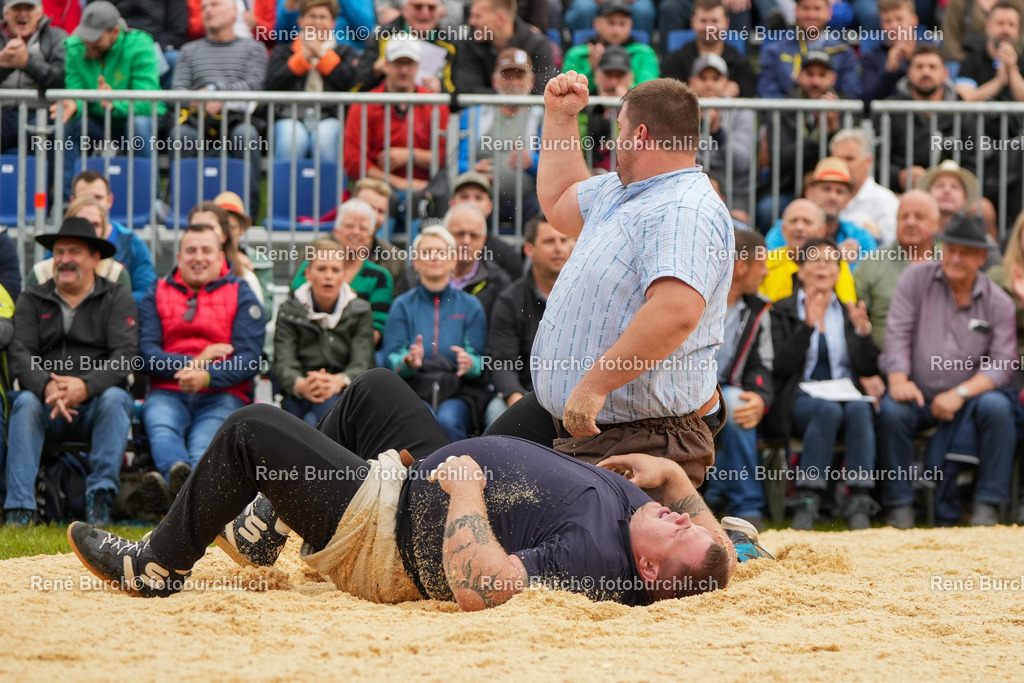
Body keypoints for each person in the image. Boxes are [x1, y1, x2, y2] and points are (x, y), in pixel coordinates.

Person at [66, 367, 740, 604]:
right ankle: (267, 523)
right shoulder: (656, 534)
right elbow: (723, 561)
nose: (683, 518)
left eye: (678, 528)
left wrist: (466, 491)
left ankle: (156, 565)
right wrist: (674, 479)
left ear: (647, 570)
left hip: (389, 532)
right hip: (429, 477)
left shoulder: (591, 556)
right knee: (376, 390)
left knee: (249, 428)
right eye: (686, 517)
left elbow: (485, 588)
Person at [486, 75, 733, 489]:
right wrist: (560, 118)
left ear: (640, 134)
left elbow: (676, 312)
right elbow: (561, 199)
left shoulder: (684, 210)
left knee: (523, 517)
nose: (615, 141)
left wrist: (595, 384)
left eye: (620, 130)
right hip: (576, 415)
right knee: (469, 478)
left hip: (643, 433)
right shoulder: (621, 190)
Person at [877, 214, 1019, 528]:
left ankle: (987, 505)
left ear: (981, 257)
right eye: (950, 249)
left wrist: (960, 393)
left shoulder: (999, 301)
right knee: (893, 410)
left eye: (965, 252)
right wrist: (898, 379)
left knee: (998, 408)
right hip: (917, 392)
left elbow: (1003, 362)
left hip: (969, 399)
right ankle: (899, 506)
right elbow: (897, 333)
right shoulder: (915, 279)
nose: (954, 258)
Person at [3, 217, 137, 527]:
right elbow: (20, 352)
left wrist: (84, 387)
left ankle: (99, 501)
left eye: (74, 252)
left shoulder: (117, 297)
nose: (64, 259)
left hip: (96, 406)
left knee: (117, 399)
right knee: (25, 402)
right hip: (45, 404)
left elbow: (125, 356)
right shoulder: (32, 297)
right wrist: (47, 386)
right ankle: (19, 509)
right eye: (59, 252)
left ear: (95, 258)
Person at [138, 223, 265, 509]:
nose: (198, 257)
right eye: (191, 250)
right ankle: (184, 486)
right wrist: (198, 362)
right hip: (168, 391)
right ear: (179, 257)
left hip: (223, 393)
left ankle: (177, 492)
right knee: (161, 426)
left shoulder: (242, 292)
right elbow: (145, 353)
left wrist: (207, 376)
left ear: (221, 257)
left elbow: (249, 358)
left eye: (206, 250)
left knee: (203, 442)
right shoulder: (156, 292)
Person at [765, 238, 880, 530]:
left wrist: (863, 333)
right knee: (826, 410)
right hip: (799, 397)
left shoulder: (847, 312)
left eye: (830, 261)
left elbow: (868, 368)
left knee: (860, 409)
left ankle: (859, 497)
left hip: (844, 394)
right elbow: (779, 366)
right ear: (800, 270)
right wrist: (807, 327)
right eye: (814, 260)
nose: (822, 267)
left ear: (839, 272)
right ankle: (809, 497)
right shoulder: (782, 310)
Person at [383, 226, 489, 441]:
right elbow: (391, 359)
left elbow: (480, 360)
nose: (434, 257)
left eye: (441, 252)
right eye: (426, 252)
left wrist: (469, 364)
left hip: (458, 390)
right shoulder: (402, 305)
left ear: (453, 261)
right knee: (423, 419)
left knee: (449, 420)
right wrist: (408, 361)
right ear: (416, 262)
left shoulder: (471, 305)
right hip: (413, 389)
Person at [702, 229, 773, 531]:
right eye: (762, 264)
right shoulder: (698, 297)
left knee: (741, 403)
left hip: (726, 391)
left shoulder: (759, 308)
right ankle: (744, 503)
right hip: (684, 389)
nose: (766, 272)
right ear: (742, 266)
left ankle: (732, 501)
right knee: (730, 402)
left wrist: (760, 396)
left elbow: (762, 364)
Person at [52, 0, 160, 195]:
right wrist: (74, 104)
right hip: (97, 120)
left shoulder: (140, 45)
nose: (88, 43)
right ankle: (68, 201)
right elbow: (75, 89)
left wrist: (114, 103)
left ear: (115, 32)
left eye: (95, 38)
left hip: (130, 120)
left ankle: (149, 201)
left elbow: (147, 101)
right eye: (86, 36)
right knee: (67, 124)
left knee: (139, 125)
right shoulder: (75, 47)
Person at [172, 0, 268, 205]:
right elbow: (177, 91)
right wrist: (202, 101)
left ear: (234, 11)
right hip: (197, 119)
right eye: (204, 7)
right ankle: (181, 208)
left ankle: (247, 211)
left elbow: (255, 85)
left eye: (214, 4)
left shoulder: (254, 49)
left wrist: (216, 93)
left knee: (246, 135)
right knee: (181, 135)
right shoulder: (189, 51)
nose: (208, 10)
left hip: (237, 118)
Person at [486, 214, 575, 424]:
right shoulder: (510, 301)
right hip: (524, 394)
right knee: (496, 412)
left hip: (576, 396)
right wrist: (516, 400)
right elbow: (501, 362)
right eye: (549, 241)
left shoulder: (587, 296)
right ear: (529, 249)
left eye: (564, 240)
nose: (558, 248)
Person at [275, 238, 375, 426]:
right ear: (308, 274)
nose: (328, 276)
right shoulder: (289, 311)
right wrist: (301, 384)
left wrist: (338, 381)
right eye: (321, 269)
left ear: (345, 275)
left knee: (316, 419)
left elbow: (363, 362)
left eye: (335, 270)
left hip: (344, 392)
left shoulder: (361, 311)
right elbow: (283, 362)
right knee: (304, 419)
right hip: (300, 392)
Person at [343, 35, 450, 200]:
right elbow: (354, 161)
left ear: (418, 66)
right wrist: (398, 183)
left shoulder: (436, 104)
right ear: (385, 65)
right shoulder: (364, 104)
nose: (404, 70)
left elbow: (446, 154)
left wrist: (410, 155)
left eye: (410, 63)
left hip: (425, 190)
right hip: (376, 189)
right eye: (398, 63)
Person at [265, 0, 360, 163]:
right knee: (291, 139)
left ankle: (328, 181)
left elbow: (349, 83)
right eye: (312, 16)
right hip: (290, 116)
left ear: (333, 24)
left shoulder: (345, 52)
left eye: (323, 17)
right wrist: (301, 60)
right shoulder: (283, 51)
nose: (317, 22)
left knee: (324, 139)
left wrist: (322, 55)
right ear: (300, 21)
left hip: (330, 117)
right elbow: (272, 83)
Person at [290, 199, 395, 344]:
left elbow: (375, 332)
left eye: (363, 228)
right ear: (337, 231)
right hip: (308, 348)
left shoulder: (380, 278)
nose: (355, 232)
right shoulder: (309, 268)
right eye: (349, 225)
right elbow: (294, 313)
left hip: (358, 353)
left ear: (371, 236)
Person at [458, 47, 543, 225]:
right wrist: (473, 170)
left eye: (519, 76)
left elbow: (552, 164)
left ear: (531, 81)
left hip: (528, 199)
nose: (513, 82)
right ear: (495, 81)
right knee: (472, 205)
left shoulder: (541, 116)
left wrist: (531, 162)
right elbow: (460, 162)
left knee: (539, 212)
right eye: (507, 76)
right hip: (485, 196)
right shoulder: (475, 115)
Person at [877, 45, 978, 192]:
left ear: (945, 73)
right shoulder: (890, 110)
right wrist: (899, 176)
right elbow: (876, 160)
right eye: (919, 67)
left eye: (932, 67)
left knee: (983, 205)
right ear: (909, 72)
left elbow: (972, 163)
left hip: (949, 194)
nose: (926, 72)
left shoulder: (962, 113)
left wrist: (946, 179)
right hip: (899, 193)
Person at [854, 190, 940, 350]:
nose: (910, 222)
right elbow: (856, 318)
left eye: (919, 217)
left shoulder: (952, 264)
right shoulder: (872, 263)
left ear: (937, 223)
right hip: (882, 360)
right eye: (904, 216)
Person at [764, 157, 879, 269]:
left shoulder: (860, 238)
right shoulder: (784, 231)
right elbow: (770, 272)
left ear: (848, 199)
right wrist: (834, 257)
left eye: (839, 192)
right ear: (809, 193)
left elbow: (870, 275)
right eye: (826, 189)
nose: (832, 196)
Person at [68, 169, 157, 305]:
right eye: (84, 199)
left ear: (109, 200)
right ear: (72, 201)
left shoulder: (132, 243)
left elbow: (147, 293)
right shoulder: (61, 244)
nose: (92, 204)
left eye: (98, 197)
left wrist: (106, 304)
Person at [687, 53, 754, 212]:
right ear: (691, 82)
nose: (709, 84)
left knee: (738, 221)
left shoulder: (742, 111)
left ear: (727, 83)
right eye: (703, 78)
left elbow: (742, 163)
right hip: (691, 189)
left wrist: (717, 132)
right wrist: (697, 124)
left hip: (735, 193)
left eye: (716, 78)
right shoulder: (680, 112)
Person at [756, 0, 861, 100]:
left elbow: (852, 93)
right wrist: (793, 108)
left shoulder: (844, 53)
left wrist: (834, 105)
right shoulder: (774, 52)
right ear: (796, 11)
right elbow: (767, 92)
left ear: (829, 13)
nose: (811, 15)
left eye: (817, 9)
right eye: (806, 8)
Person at [25, 197, 132, 291]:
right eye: (81, 222)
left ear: (104, 230)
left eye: (95, 225)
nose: (89, 230)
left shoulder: (115, 273)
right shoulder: (41, 274)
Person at [0, 0, 66, 153]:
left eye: (28, 8)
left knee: (56, 133)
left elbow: (62, 79)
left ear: (39, 13)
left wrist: (27, 63)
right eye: (17, 8)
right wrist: (5, 65)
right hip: (2, 113)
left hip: (41, 112)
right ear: (6, 13)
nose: (23, 14)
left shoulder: (56, 37)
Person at [452, 0, 557, 95]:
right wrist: (511, 96)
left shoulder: (537, 45)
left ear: (500, 19)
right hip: (482, 110)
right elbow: (466, 89)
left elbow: (545, 90)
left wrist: (505, 96)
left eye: (478, 16)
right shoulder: (470, 45)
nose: (471, 22)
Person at [353, 0, 459, 93]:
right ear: (405, 10)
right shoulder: (382, 38)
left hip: (428, 108)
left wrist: (441, 89)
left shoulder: (450, 46)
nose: (425, 12)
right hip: (386, 107)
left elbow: (458, 91)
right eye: (418, 6)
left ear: (439, 12)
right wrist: (375, 72)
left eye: (431, 8)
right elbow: (355, 88)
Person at [659, 0, 755, 97]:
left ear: (727, 22)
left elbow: (750, 100)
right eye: (703, 21)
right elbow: (666, 99)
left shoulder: (741, 64)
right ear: (692, 21)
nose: (709, 28)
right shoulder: (675, 61)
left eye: (715, 21)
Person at [561, 0, 658, 90]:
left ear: (630, 25)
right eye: (611, 23)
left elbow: (649, 91)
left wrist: (626, 88)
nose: (617, 30)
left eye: (622, 24)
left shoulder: (645, 53)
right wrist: (591, 71)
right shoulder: (577, 54)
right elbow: (568, 90)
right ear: (596, 23)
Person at [830, 129, 900, 246]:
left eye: (849, 159)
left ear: (868, 161)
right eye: (838, 159)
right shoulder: (824, 198)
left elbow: (894, 247)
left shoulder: (885, 200)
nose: (843, 165)